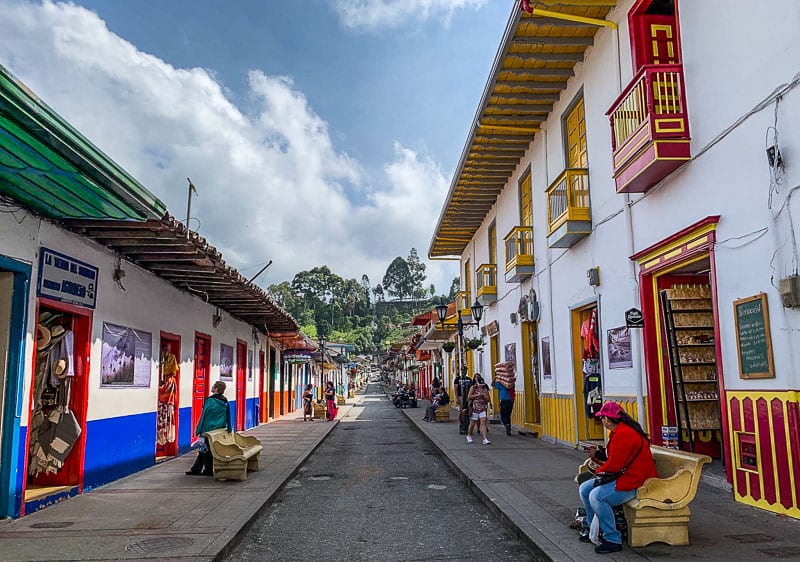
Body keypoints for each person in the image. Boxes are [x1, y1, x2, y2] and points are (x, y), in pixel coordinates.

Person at [578, 402, 658, 554]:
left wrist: (597, 471)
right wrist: (598, 455)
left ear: (607, 420)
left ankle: (612, 539)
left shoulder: (623, 434)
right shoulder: (620, 431)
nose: (601, 421)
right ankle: (593, 528)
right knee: (584, 489)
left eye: (602, 418)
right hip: (625, 476)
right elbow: (614, 458)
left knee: (597, 496)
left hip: (636, 481)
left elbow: (614, 465)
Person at [186, 381, 232, 476]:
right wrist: (229, 428)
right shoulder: (225, 401)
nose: (211, 387)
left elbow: (204, 416)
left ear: (216, 389)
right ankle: (196, 469)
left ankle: (208, 470)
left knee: (206, 450)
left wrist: (198, 429)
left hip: (207, 430)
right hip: (219, 429)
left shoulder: (210, 401)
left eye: (213, 386)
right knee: (205, 449)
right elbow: (228, 415)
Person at [466, 374, 491, 445]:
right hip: (474, 408)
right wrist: (478, 395)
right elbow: (469, 396)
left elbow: (488, 399)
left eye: (482, 384)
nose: (481, 386)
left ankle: (485, 438)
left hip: (482, 407)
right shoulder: (473, 388)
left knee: (483, 422)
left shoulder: (485, 389)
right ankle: (469, 435)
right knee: (473, 423)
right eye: (480, 384)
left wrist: (484, 397)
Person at [454, 367, 472, 435]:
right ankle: (461, 424)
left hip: (467, 397)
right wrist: (457, 398)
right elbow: (455, 389)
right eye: (463, 370)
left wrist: (470, 397)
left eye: (465, 370)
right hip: (460, 397)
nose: (464, 372)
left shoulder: (469, 379)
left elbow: (471, 388)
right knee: (460, 411)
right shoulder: (457, 379)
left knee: (467, 411)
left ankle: (466, 425)